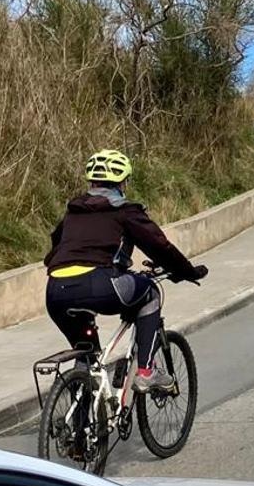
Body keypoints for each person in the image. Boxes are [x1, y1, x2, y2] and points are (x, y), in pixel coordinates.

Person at [44, 150, 208, 393]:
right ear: (122, 182)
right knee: (150, 293)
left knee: (87, 354)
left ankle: (80, 421)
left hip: (56, 291)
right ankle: (146, 371)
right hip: (99, 284)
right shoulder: (125, 211)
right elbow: (159, 246)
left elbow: (56, 246)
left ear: (92, 182)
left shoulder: (73, 212)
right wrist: (186, 272)